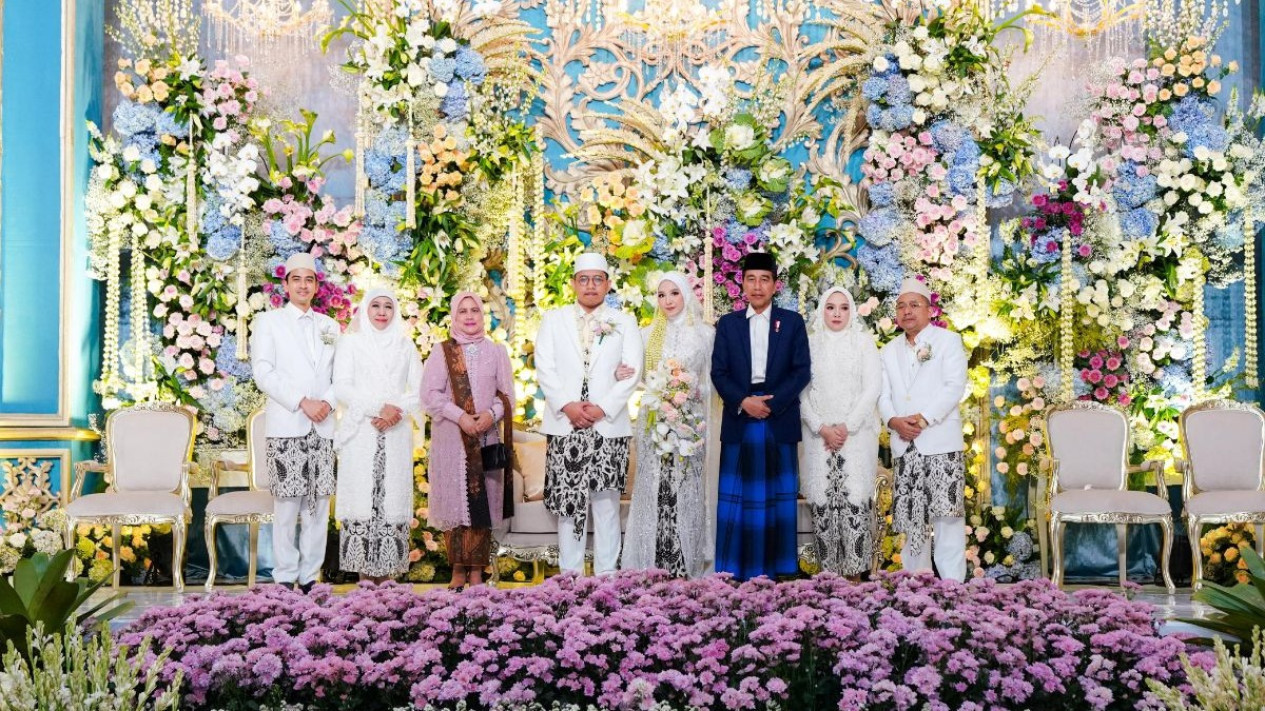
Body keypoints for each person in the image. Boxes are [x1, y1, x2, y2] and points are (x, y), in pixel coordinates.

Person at [535, 253, 642, 575]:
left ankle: (607, 578)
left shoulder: (624, 321)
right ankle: (570, 578)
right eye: (584, 279)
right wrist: (567, 405)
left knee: (606, 503)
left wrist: (601, 408)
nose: (591, 286)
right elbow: (545, 367)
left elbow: (633, 371)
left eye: (597, 279)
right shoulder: (553, 319)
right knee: (569, 504)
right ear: (573, 284)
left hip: (607, 425)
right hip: (565, 423)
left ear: (608, 284)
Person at [710, 252, 811, 581]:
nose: (757, 286)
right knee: (738, 500)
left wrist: (772, 404)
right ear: (742, 284)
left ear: (775, 285)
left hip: (778, 417)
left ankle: (781, 570)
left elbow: (801, 371)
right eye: (751, 279)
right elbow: (718, 372)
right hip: (740, 417)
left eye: (764, 279)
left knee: (778, 499)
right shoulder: (729, 324)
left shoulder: (792, 322)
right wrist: (743, 401)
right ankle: (733, 572)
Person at [250, 252, 338, 593]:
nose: (303, 285)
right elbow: (263, 372)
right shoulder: (268, 322)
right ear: (285, 285)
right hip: (288, 423)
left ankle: (311, 577)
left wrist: (327, 403)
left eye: (309, 280)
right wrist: (303, 401)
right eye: (296, 279)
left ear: (316, 286)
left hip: (323, 426)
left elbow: (342, 374)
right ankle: (285, 577)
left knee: (318, 505)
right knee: (287, 505)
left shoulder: (330, 326)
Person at [620, 272, 714, 578]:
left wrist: (688, 389)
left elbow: (713, 383)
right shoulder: (647, 335)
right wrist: (622, 374)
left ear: (686, 294)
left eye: (674, 293)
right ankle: (652, 563)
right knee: (655, 488)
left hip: (690, 424)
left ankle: (685, 566)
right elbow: (635, 377)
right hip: (653, 424)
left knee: (686, 488)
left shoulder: (705, 335)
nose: (668, 300)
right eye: (661, 295)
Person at [422, 291, 516, 589]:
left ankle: (477, 570)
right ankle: (457, 570)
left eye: (474, 310)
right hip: (451, 439)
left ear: (482, 314)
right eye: (462, 311)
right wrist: (460, 416)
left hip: (485, 437)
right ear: (454, 316)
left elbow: (507, 395)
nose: (469, 316)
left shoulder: (497, 352)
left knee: (480, 501)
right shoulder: (442, 352)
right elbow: (430, 395)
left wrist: (490, 415)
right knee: (453, 501)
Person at [878, 276, 968, 582]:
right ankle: (916, 586)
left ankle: (953, 586)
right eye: (901, 306)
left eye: (914, 305)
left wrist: (924, 418)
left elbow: (954, 386)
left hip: (940, 441)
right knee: (911, 519)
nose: (907, 311)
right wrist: (893, 421)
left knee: (947, 517)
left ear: (929, 310)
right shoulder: (888, 350)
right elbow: (882, 394)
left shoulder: (948, 341)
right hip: (905, 444)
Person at [333, 288, 422, 584]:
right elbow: (342, 386)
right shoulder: (351, 342)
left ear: (395, 311)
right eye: (375, 306)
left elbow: (419, 390)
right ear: (365, 309)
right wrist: (377, 408)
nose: (382, 312)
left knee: (390, 502)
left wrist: (396, 411)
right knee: (362, 500)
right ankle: (365, 584)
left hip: (395, 432)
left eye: (388, 306)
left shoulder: (405, 345)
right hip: (362, 431)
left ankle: (387, 583)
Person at [800, 286, 881, 578]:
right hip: (818, 438)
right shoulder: (809, 344)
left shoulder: (863, 342)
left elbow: (873, 387)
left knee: (854, 500)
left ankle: (855, 579)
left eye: (844, 308)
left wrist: (846, 427)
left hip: (854, 437)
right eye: (830, 307)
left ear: (852, 312)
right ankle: (829, 580)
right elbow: (800, 391)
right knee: (823, 502)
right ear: (821, 310)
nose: (837, 313)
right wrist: (821, 427)